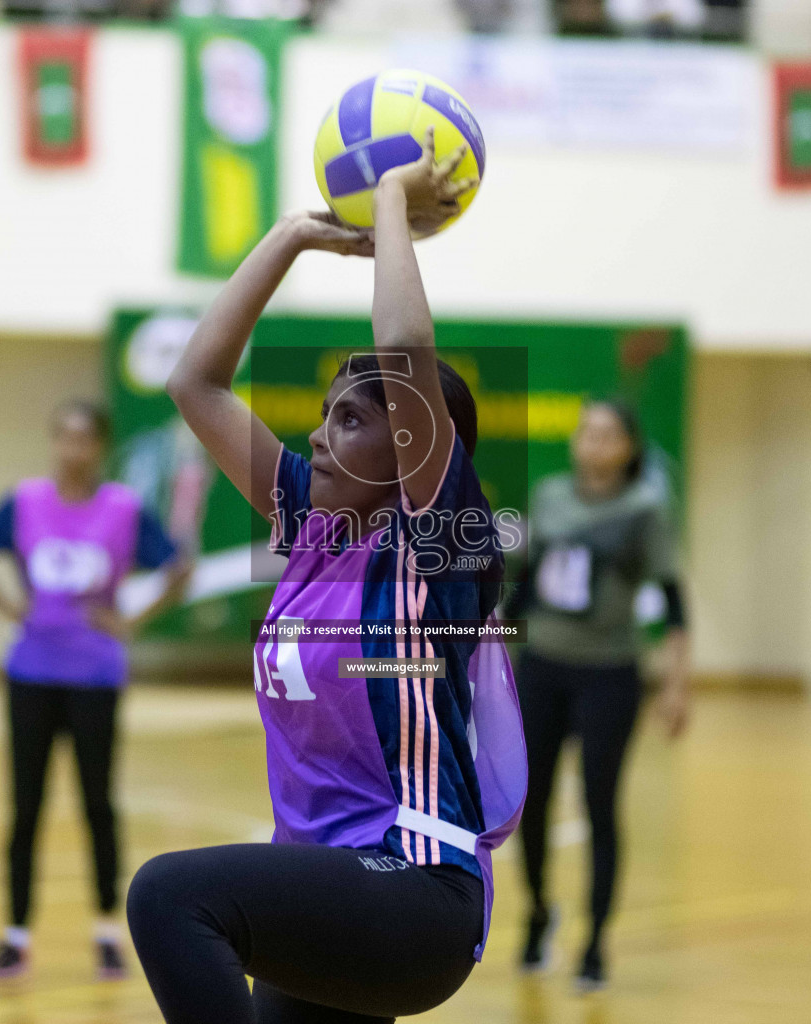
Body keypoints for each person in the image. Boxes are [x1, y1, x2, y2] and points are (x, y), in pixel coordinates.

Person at [129, 129, 527, 1024]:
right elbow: (198, 384)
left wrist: (391, 198)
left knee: (169, 897)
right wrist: (291, 237)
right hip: (331, 883)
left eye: (353, 418)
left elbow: (407, 344)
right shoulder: (310, 525)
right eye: (325, 414)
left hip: (415, 884)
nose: (318, 434)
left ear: (417, 443)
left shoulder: (439, 542)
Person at [0, 399, 190, 982]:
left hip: (95, 675)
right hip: (31, 672)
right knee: (26, 806)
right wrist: (10, 608)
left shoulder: (123, 508)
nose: (72, 449)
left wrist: (131, 621)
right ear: (53, 442)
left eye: (84, 439)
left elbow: (179, 567)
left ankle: (107, 932)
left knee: (97, 804)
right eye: (63, 437)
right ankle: (16, 936)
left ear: (101, 447)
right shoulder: (26, 501)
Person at [507, 398, 691, 991]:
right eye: (587, 432)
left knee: (599, 804)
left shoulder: (644, 510)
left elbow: (674, 599)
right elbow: (527, 583)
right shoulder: (551, 496)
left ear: (629, 447)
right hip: (541, 666)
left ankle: (594, 944)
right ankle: (537, 912)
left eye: (608, 434)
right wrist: (497, 655)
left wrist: (676, 683)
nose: (594, 442)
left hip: (608, 672)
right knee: (527, 801)